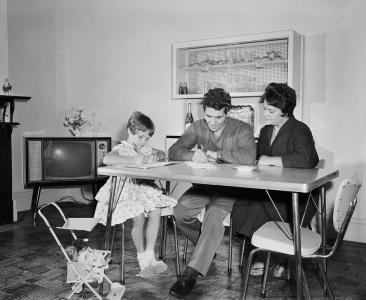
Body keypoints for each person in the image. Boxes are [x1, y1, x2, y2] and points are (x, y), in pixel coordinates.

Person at [168, 88, 256, 298]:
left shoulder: (242, 128)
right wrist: (192, 155)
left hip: (231, 188)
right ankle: (207, 248)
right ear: (203, 112)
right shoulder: (198, 126)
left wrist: (218, 155)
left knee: (214, 214)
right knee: (180, 212)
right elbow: (174, 150)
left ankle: (190, 275)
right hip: (205, 186)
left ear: (227, 113)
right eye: (209, 116)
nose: (213, 122)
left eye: (219, 117)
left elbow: (250, 156)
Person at [231, 82, 320, 276]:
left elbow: (309, 159)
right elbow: (260, 162)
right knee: (242, 204)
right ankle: (272, 256)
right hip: (272, 190)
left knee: (258, 208)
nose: (265, 114)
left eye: (270, 111)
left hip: (297, 197)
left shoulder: (299, 129)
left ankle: (271, 258)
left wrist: (271, 160)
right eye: (264, 109)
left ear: (285, 111)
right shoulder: (265, 131)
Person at [94, 111, 177, 277]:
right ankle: (141, 257)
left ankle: (149, 254)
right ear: (130, 132)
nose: (144, 141)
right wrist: (133, 160)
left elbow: (161, 153)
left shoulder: (144, 147)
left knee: (156, 211)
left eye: (147, 138)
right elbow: (107, 159)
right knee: (138, 217)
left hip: (142, 188)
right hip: (124, 191)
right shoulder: (122, 148)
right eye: (140, 137)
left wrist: (155, 154)